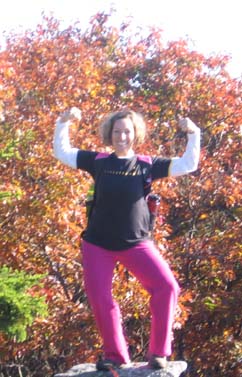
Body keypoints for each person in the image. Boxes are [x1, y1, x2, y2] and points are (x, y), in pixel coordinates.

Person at [53, 107, 200, 370]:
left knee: (167, 287)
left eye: (127, 132)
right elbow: (62, 152)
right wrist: (62, 122)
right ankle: (116, 355)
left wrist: (194, 133)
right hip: (97, 244)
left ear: (135, 134)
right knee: (100, 298)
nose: (122, 136)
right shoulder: (98, 161)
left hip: (136, 243)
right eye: (117, 131)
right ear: (110, 134)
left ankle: (159, 353)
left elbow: (189, 164)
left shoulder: (147, 164)